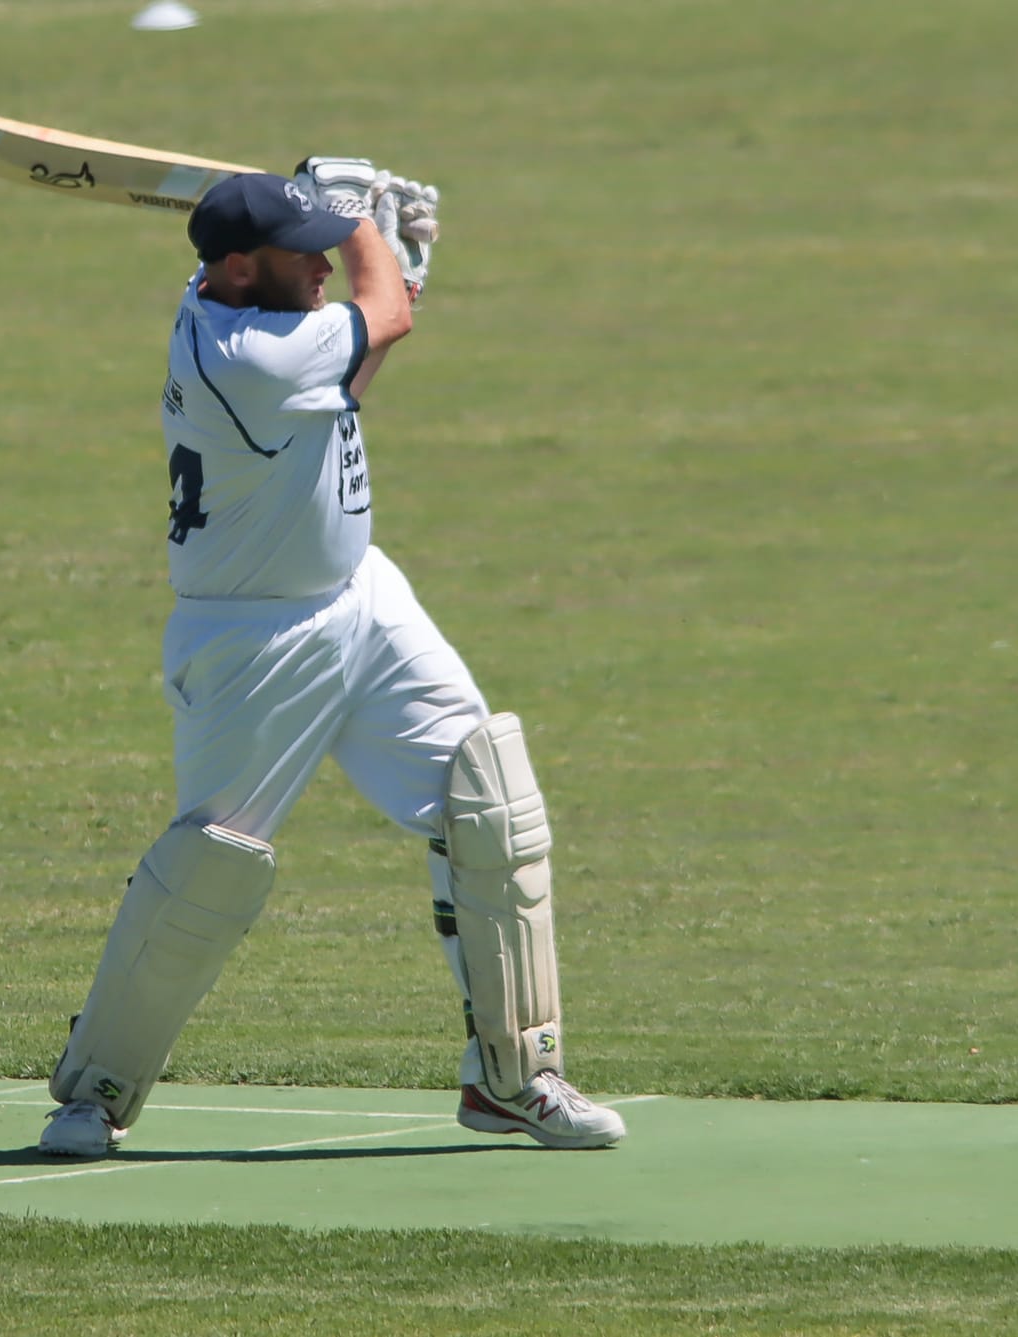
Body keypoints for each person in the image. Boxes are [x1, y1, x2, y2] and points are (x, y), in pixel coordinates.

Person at [36, 164, 627, 1157]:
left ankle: (513, 1077)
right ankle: (91, 1091)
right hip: (255, 636)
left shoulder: (240, 308)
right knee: (207, 866)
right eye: (298, 249)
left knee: (488, 797)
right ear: (235, 266)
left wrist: (369, 258)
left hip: (362, 589)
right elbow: (383, 318)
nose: (317, 263)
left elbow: (348, 373)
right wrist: (367, 233)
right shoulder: (242, 352)